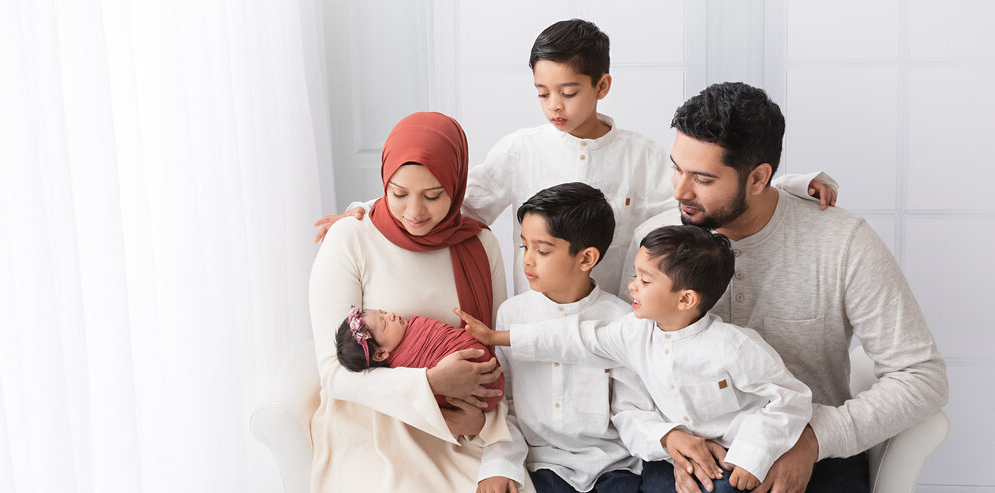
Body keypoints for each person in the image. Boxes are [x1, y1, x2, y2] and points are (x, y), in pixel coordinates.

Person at [620, 82, 949, 493]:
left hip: (809, 446)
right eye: (677, 167)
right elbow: (626, 365)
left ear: (758, 177)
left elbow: (922, 375)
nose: (680, 191)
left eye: (703, 178)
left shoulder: (842, 243)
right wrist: (665, 438)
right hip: (695, 448)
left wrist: (816, 439)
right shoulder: (659, 240)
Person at [314, 18, 836, 298]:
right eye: (542, 93)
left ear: (602, 85)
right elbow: (452, 204)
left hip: (613, 324)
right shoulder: (520, 150)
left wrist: (789, 184)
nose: (554, 107)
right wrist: (368, 212)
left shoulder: (642, 155)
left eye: (568, 91)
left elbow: (706, 193)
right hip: (537, 321)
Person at [462, 224, 814, 493]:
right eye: (635, 275)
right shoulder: (634, 332)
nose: (631, 286)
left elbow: (791, 398)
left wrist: (752, 457)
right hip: (686, 454)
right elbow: (576, 339)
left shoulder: (734, 347)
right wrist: (501, 338)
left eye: (644, 280)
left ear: (685, 299)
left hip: (736, 448)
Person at [308, 111, 549, 493]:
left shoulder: (479, 245)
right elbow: (335, 373)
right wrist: (431, 384)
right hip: (376, 444)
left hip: (463, 439)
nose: (414, 211)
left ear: (457, 185)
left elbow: (496, 360)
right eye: (398, 194)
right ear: (383, 181)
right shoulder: (350, 239)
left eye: (433, 195)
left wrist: (498, 455)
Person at [470, 182, 652, 493]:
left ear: (586, 258)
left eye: (543, 250)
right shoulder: (512, 314)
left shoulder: (620, 320)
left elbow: (631, 407)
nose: (528, 261)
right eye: (524, 246)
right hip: (546, 463)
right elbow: (506, 405)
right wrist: (499, 463)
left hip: (615, 465)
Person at [335, 306, 504, 411]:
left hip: (488, 364)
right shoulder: (403, 372)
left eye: (384, 312)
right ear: (380, 354)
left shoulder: (414, 325)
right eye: (385, 323)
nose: (391, 315)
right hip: (482, 388)